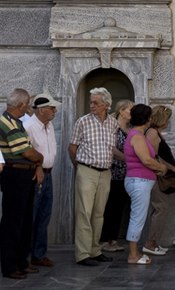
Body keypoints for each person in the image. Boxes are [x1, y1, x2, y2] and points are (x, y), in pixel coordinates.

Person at [68, 87, 117, 266]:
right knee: (84, 213)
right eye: (91, 102)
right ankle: (82, 254)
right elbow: (72, 148)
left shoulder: (113, 123)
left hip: (105, 172)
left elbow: (112, 149)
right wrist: (80, 167)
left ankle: (95, 250)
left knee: (99, 214)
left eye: (95, 102)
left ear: (106, 105)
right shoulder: (82, 122)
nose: (92, 105)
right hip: (87, 170)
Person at [0, 88, 44, 279]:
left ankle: (21, 261)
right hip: (14, 174)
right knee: (13, 222)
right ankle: (10, 266)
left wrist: (36, 161)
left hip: (24, 175)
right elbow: (27, 152)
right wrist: (40, 158)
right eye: (27, 104)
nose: (28, 107)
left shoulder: (16, 122)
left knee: (25, 221)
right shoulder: (7, 123)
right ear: (21, 105)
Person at [124, 104, 169, 264]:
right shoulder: (137, 136)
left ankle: (134, 253)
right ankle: (133, 255)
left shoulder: (137, 135)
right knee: (138, 217)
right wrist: (161, 168)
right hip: (139, 182)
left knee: (138, 216)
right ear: (147, 119)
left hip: (140, 181)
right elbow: (146, 160)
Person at [24, 93, 61, 268]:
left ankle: (39, 254)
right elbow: (25, 152)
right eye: (52, 108)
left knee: (44, 215)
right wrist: (38, 166)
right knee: (31, 215)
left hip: (48, 174)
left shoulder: (49, 125)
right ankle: (25, 256)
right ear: (42, 110)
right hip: (34, 175)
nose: (55, 111)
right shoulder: (29, 126)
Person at [143, 105, 175, 256]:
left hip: (159, 175)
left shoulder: (156, 133)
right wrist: (172, 169)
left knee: (161, 208)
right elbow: (155, 157)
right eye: (168, 119)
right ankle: (150, 243)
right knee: (161, 208)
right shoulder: (153, 133)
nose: (169, 122)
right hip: (157, 176)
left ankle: (154, 242)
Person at [101, 99, 133, 252]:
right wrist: (127, 158)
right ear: (121, 111)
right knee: (111, 207)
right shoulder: (112, 126)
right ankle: (106, 240)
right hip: (114, 172)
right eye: (129, 110)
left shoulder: (131, 129)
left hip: (128, 173)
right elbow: (111, 148)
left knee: (121, 207)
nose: (131, 113)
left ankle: (114, 239)